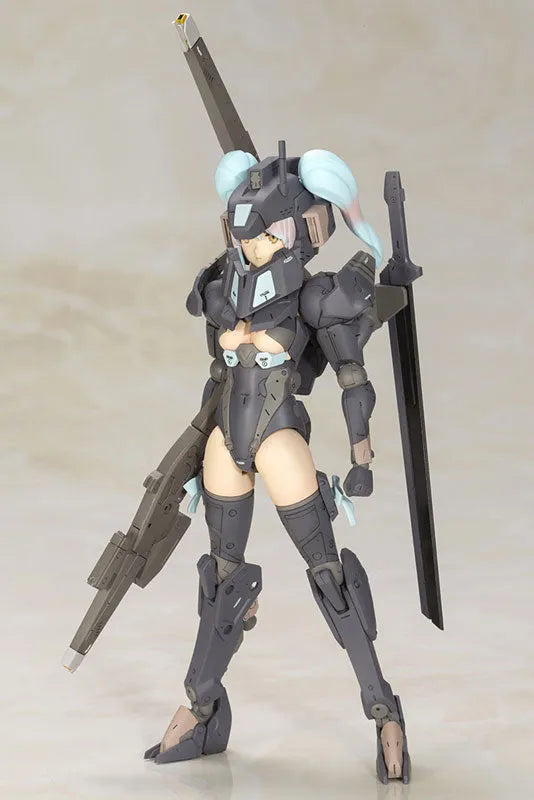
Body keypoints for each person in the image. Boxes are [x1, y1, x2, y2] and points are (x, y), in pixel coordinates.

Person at [144, 144, 410, 784]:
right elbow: (218, 367)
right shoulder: (222, 287)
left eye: (264, 233)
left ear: (296, 229)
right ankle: (201, 708)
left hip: (279, 435)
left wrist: (361, 453)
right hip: (225, 440)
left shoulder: (313, 296)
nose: (250, 244)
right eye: (243, 232)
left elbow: (353, 377)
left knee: (330, 578)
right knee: (221, 582)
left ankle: (384, 712)